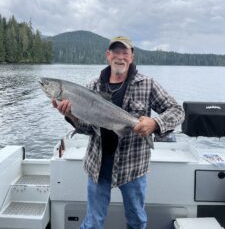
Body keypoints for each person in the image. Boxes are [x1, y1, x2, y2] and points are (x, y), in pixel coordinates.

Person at [52, 36, 185, 229]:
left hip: (133, 166)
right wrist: (71, 116)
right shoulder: (93, 86)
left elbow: (177, 110)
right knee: (92, 223)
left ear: (132, 57)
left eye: (125, 53)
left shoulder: (147, 84)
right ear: (108, 55)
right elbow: (88, 128)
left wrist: (155, 123)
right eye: (116, 52)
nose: (120, 57)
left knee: (137, 221)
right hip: (98, 165)